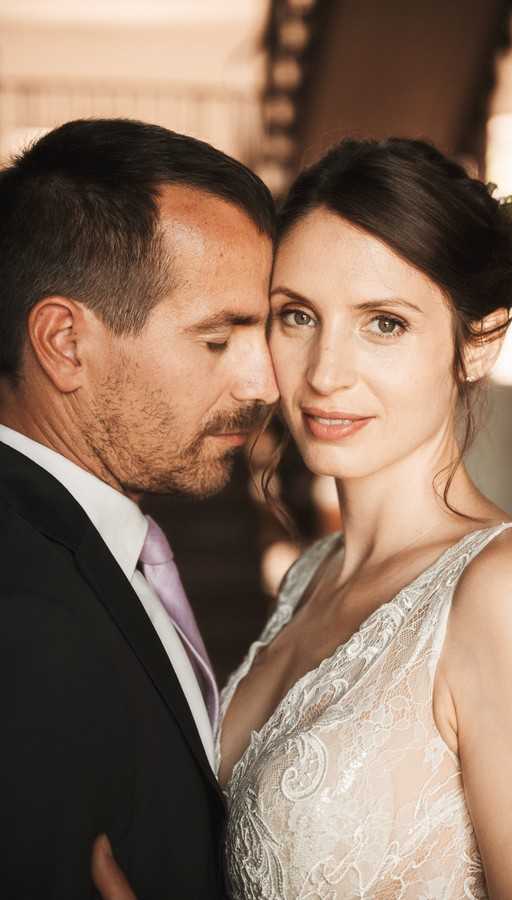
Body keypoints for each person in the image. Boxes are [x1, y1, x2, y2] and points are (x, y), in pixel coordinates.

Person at [95, 138, 512, 900]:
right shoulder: (313, 571)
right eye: (296, 315)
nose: (326, 372)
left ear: (479, 342)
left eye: (384, 324)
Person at [1, 117, 278, 899]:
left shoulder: (102, 538)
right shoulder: (21, 609)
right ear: (64, 342)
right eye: (219, 339)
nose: (264, 383)